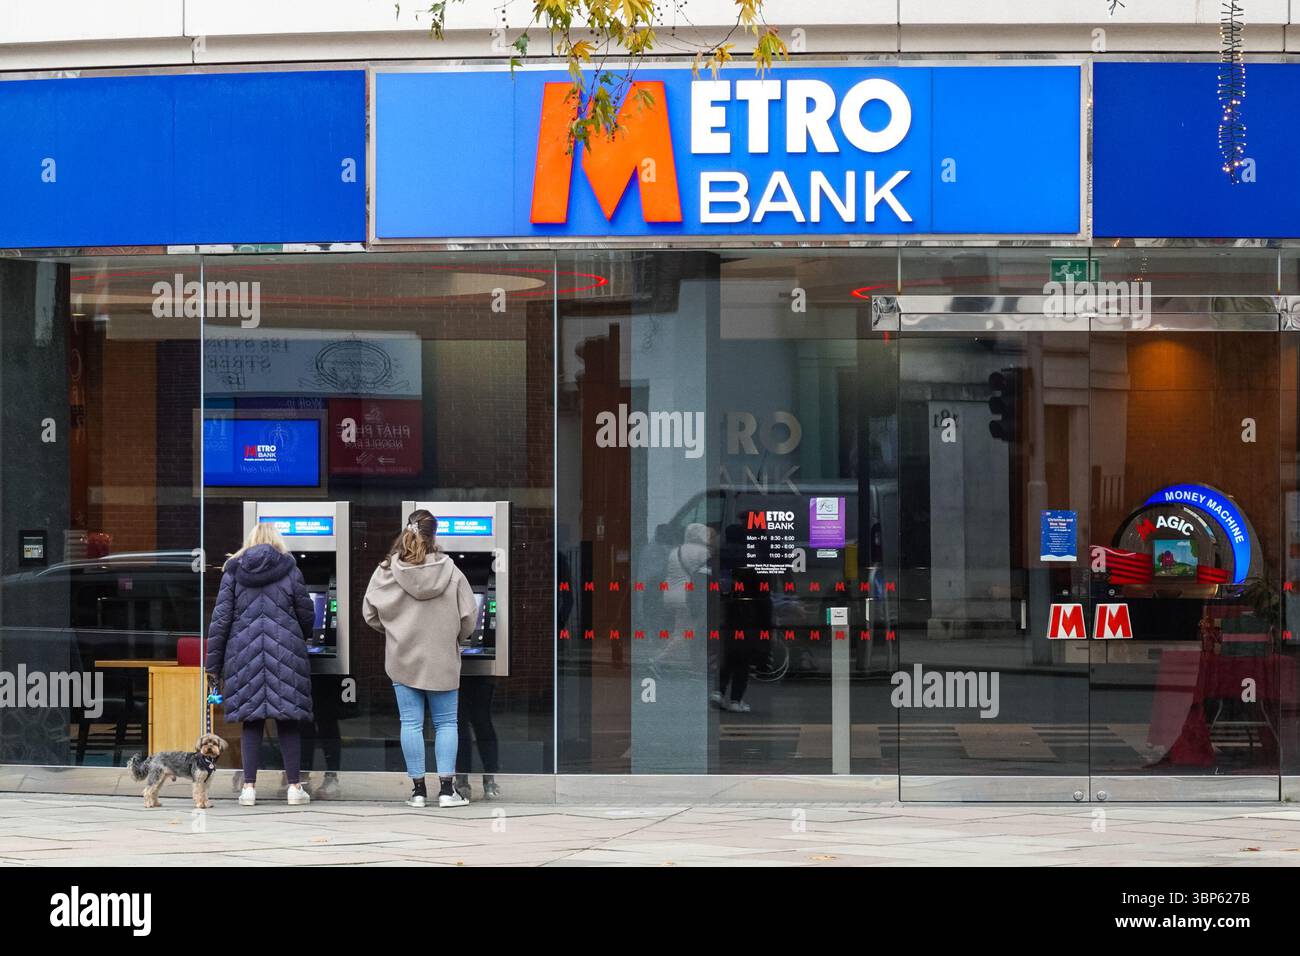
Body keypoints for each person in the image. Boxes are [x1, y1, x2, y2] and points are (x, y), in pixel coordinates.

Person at [363, 509, 476, 809]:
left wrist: (396, 632)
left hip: (402, 657)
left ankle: (417, 791)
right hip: (442, 657)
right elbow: (469, 618)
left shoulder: (386, 570)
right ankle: (448, 791)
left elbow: (369, 613)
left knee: (410, 723)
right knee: (446, 723)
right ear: (434, 535)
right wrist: (453, 637)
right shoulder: (451, 571)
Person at [205, 522, 315, 807]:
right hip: (285, 653)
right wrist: (302, 636)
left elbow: (220, 621)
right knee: (288, 720)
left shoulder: (233, 571)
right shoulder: (290, 569)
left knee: (251, 722)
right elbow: (306, 612)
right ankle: (294, 788)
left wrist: (213, 665)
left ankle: (249, 789)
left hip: (243, 653)